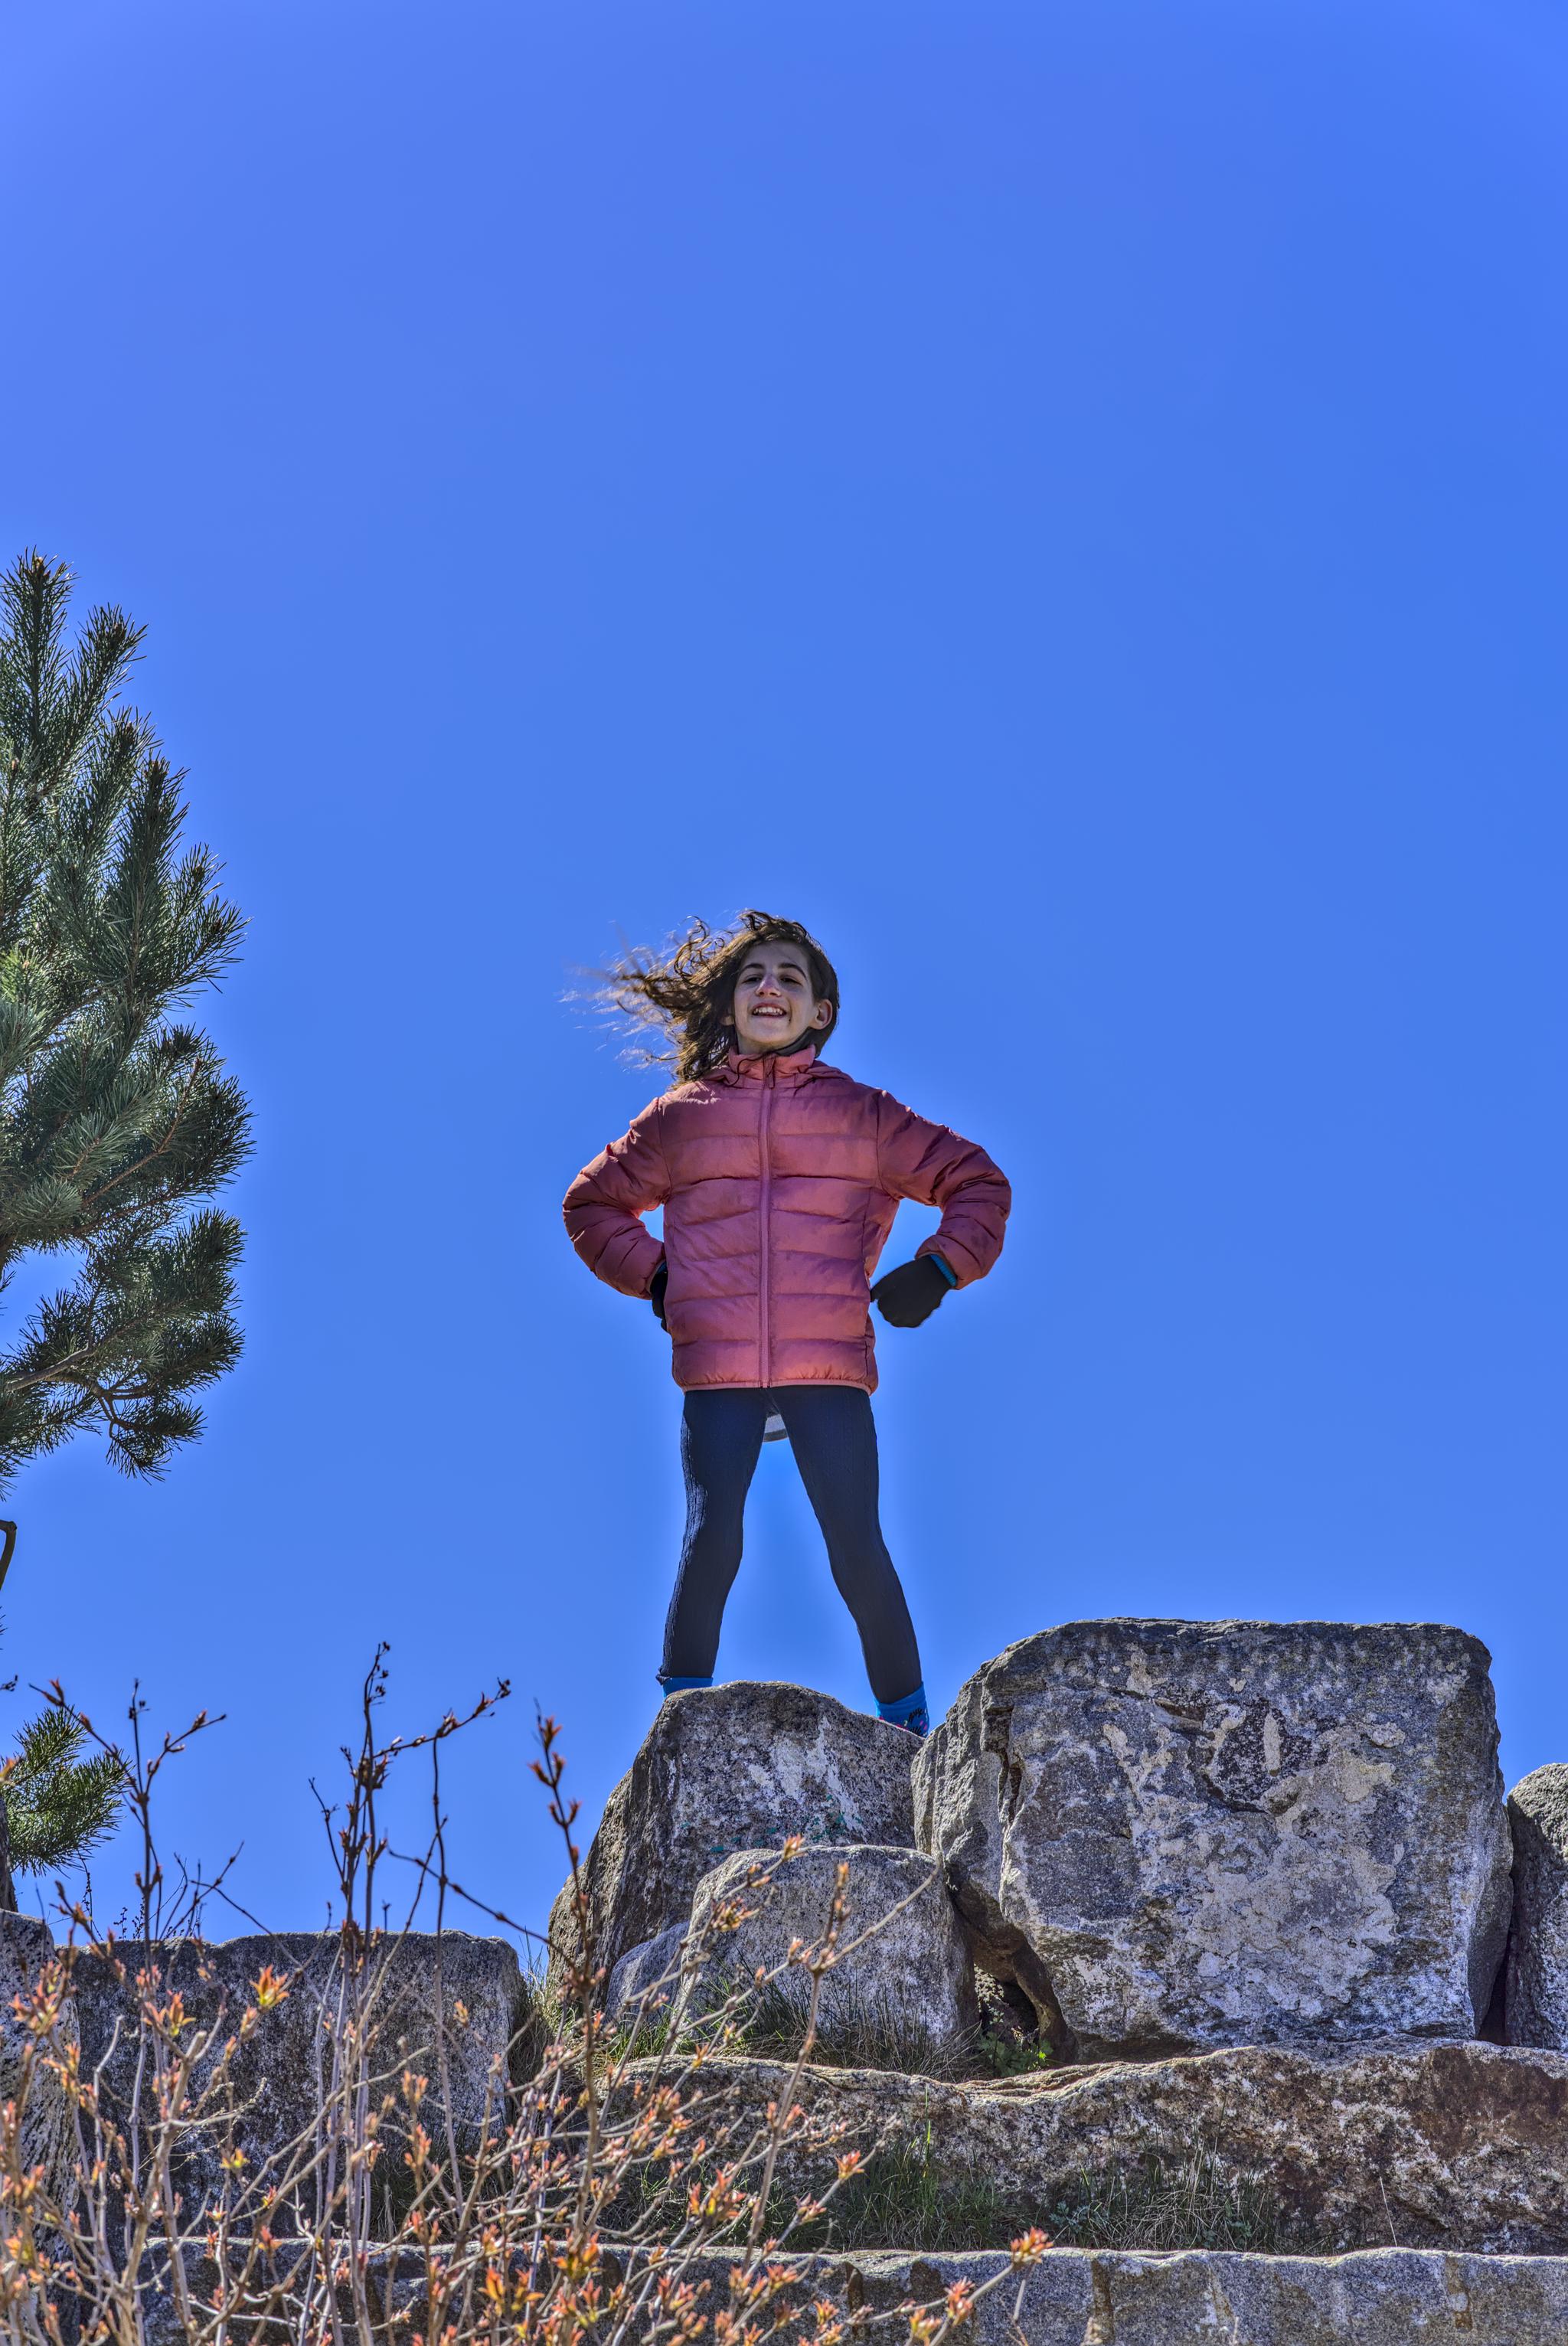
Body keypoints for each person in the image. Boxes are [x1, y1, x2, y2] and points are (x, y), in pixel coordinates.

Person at [563, 910, 1010, 1737]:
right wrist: (657, 1275)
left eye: (790, 978)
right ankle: (679, 1731)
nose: (770, 988)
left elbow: (977, 1182)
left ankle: (910, 1732)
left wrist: (940, 1268)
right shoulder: (680, 1118)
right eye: (753, 977)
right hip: (717, 1365)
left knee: (855, 1545)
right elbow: (591, 1205)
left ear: (821, 1012)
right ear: (731, 1004)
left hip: (825, 1364)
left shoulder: (863, 1115)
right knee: (711, 1537)